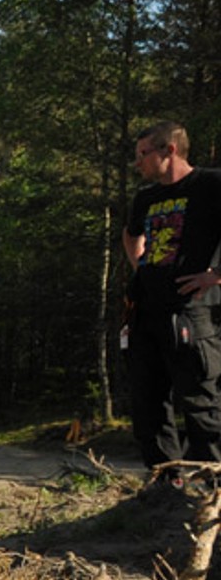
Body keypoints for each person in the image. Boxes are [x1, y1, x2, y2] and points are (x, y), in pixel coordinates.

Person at [122, 121, 221, 472]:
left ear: (170, 150)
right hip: (146, 312)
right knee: (147, 403)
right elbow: (130, 234)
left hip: (190, 313)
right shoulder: (146, 198)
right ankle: (165, 484)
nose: (138, 163)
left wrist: (215, 276)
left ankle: (212, 487)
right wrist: (141, 268)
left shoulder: (210, 184)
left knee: (200, 402)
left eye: (143, 154)